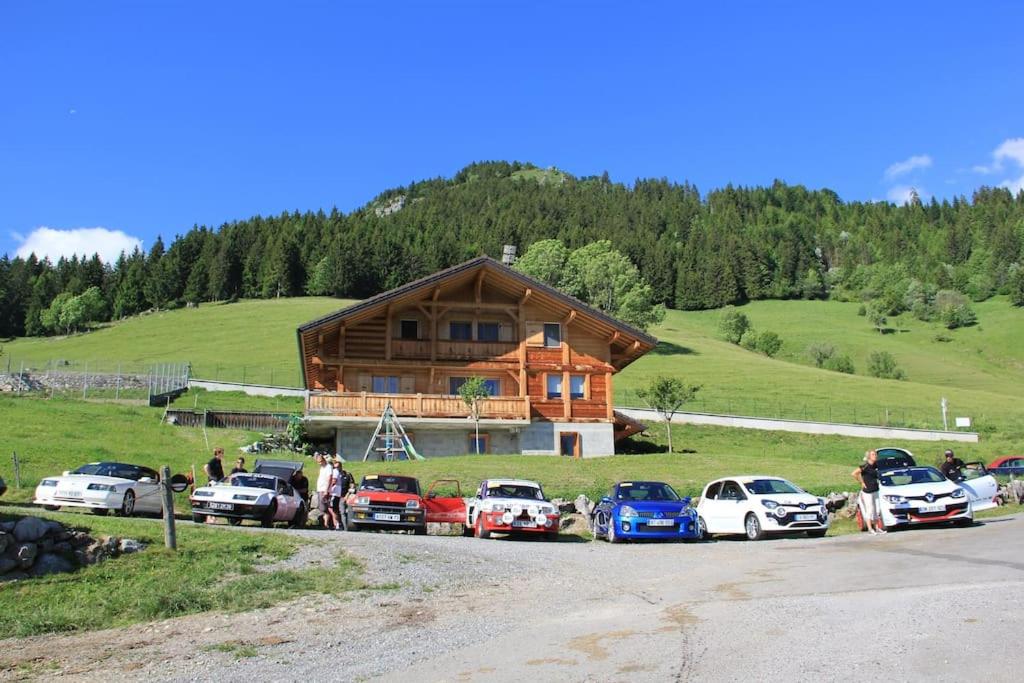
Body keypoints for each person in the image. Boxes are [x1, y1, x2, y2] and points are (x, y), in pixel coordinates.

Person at [852, 449, 886, 535]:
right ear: (869, 457)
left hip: (875, 489)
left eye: (875, 454)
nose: (875, 456)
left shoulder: (876, 465)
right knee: (869, 510)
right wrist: (862, 482)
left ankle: (877, 527)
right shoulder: (865, 466)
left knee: (877, 510)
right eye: (873, 455)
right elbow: (854, 473)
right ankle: (870, 528)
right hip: (867, 491)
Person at [314, 453, 333, 528]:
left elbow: (330, 478)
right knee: (322, 507)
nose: (319, 463)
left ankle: (327, 524)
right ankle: (326, 523)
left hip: (324, 489)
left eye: (320, 461)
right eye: (318, 462)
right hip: (320, 489)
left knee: (324, 508)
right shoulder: (322, 468)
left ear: (324, 460)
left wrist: (326, 490)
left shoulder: (328, 467)